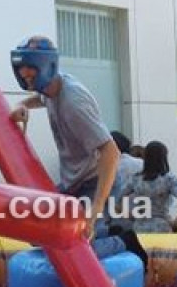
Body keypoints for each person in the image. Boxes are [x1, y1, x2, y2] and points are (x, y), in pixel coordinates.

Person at [8, 36, 147, 265]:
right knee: (37, 232)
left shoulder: (74, 102)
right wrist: (21, 105)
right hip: (74, 182)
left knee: (80, 248)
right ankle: (107, 230)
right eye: (22, 71)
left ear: (46, 66)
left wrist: (96, 209)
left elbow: (111, 152)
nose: (25, 75)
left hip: (95, 181)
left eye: (30, 71)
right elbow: (39, 98)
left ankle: (125, 241)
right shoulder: (51, 88)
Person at [121, 141, 177, 233]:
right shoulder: (168, 178)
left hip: (140, 227)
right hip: (162, 226)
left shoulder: (136, 178)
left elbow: (119, 198)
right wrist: (176, 222)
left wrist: (128, 214)